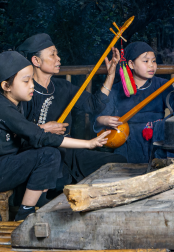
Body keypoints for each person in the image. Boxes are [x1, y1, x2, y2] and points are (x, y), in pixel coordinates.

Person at [0, 52, 111, 222]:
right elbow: (40, 136)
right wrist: (89, 143)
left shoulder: (13, 105)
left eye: (32, 80)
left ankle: (31, 207)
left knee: (46, 151)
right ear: (6, 86)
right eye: (26, 81)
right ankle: (24, 216)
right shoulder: (1, 107)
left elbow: (33, 136)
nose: (32, 85)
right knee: (48, 153)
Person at [16, 33, 126, 185]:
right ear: (36, 60)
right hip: (39, 156)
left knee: (118, 162)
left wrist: (111, 74)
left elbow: (95, 105)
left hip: (69, 153)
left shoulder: (63, 87)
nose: (58, 58)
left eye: (57, 53)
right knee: (60, 178)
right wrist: (43, 129)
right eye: (52, 54)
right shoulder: (25, 91)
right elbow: (16, 135)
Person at [94, 41, 174, 163]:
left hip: (156, 136)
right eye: (145, 61)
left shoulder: (162, 84)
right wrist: (104, 120)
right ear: (131, 64)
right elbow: (99, 116)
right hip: (128, 138)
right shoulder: (117, 88)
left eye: (153, 61)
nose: (151, 65)